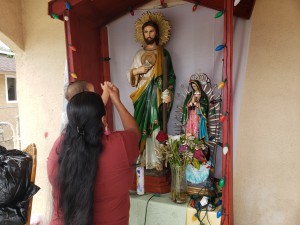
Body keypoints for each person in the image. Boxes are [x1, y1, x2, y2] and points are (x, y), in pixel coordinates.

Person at [47, 85, 140, 225]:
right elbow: (134, 131)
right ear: (103, 120)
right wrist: (116, 101)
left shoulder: (59, 147)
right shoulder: (120, 145)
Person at [127, 12, 176, 170]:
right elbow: (130, 76)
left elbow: (171, 76)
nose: (148, 34)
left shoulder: (164, 54)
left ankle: (156, 161)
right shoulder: (138, 54)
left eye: (151, 31)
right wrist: (138, 70)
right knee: (141, 128)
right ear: (143, 34)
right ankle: (142, 160)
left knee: (156, 128)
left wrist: (168, 92)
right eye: (146, 32)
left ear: (157, 33)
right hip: (142, 96)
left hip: (157, 95)